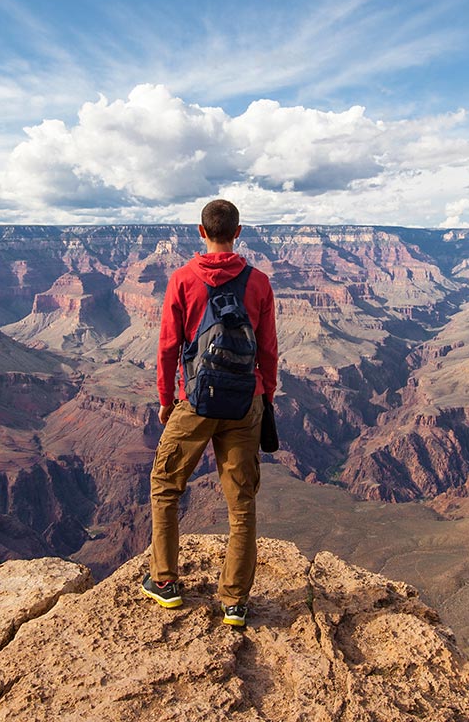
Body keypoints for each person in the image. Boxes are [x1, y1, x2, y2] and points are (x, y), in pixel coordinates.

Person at [141, 199, 277, 629]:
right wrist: (264, 395)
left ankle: (165, 582)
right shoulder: (259, 283)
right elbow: (269, 349)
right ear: (238, 232)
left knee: (165, 485)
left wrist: (166, 399)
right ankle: (234, 602)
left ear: (201, 232)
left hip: (195, 402)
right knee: (242, 505)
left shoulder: (182, 279)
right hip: (244, 403)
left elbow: (167, 346)